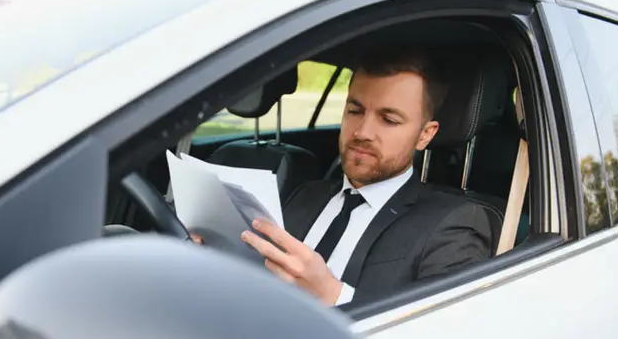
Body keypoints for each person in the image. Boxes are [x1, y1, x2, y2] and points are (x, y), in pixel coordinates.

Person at [192, 48, 492, 307]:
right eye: (355, 111)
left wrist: (333, 297)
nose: (362, 132)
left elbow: (441, 338)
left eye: (388, 120)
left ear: (425, 135)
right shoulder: (308, 194)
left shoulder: (453, 223)